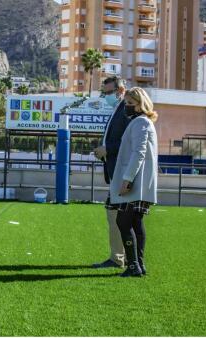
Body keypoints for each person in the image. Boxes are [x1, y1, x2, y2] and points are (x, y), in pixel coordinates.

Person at [108, 87, 158, 277]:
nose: (126, 107)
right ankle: (139, 265)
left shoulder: (140, 123)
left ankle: (133, 265)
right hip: (140, 182)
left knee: (124, 221)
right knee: (135, 223)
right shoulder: (142, 122)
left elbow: (139, 152)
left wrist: (127, 179)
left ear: (140, 105)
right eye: (126, 103)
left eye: (130, 104)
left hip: (136, 182)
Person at [92, 76, 130, 269]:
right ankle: (119, 257)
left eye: (108, 93)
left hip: (122, 173)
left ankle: (119, 258)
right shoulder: (117, 109)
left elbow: (127, 141)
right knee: (114, 213)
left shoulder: (125, 109)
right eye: (104, 93)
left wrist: (108, 149)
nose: (105, 96)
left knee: (118, 215)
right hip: (115, 171)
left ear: (120, 90)